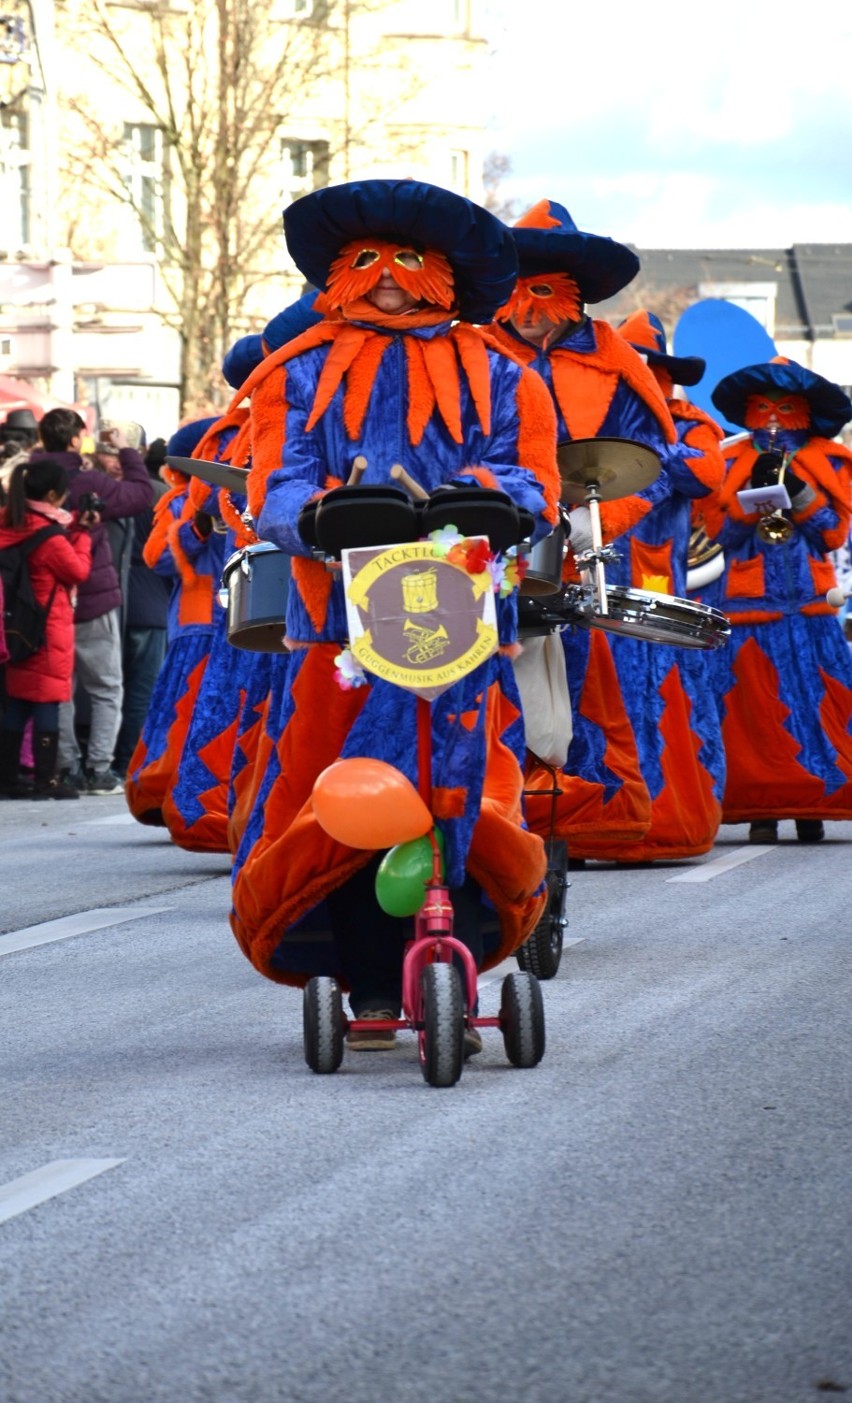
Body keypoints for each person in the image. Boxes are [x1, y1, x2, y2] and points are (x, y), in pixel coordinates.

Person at [230, 176, 560, 1050]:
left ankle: (456, 944)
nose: (385, 275)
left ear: (442, 274)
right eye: (364, 259)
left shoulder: (500, 371)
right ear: (335, 275)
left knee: (458, 787)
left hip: (458, 623)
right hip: (338, 628)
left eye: (407, 260)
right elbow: (276, 478)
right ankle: (370, 979)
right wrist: (312, 515)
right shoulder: (296, 370)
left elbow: (532, 474)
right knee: (341, 798)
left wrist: (488, 495)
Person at [487, 201, 679, 862]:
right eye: (515, 285)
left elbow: (653, 465)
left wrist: (594, 519)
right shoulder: (473, 352)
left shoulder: (615, 361)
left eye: (543, 287)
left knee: (585, 693)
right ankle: (487, 819)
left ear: (571, 294)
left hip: (583, 551)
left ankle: (570, 823)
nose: (527, 303)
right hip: (487, 550)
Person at [707, 356, 852, 843]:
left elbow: (832, 534)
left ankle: (814, 805)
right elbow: (719, 533)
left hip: (811, 603)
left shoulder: (830, 461)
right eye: (762, 406)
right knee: (756, 710)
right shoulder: (726, 462)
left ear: (803, 411)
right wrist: (754, 492)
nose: (771, 416)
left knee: (819, 702)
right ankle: (760, 811)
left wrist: (798, 489)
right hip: (751, 604)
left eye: (784, 407)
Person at [604, 309, 727, 861]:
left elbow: (703, 474)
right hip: (594, 587)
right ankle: (593, 822)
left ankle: (660, 821)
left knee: (657, 702)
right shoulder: (593, 419)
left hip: (656, 591)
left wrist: (647, 450)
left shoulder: (690, 423)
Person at [29, 408, 154, 793]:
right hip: (92, 597)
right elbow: (140, 493)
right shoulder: (87, 482)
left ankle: (66, 766)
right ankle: (100, 769)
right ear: (74, 440)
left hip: (42, 599)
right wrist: (126, 451)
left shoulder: (26, 480)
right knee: (106, 687)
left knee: (60, 686)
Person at [124, 417, 227, 827]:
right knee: (185, 711)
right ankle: (168, 792)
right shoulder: (180, 502)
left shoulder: (244, 492)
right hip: (198, 624)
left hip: (241, 622)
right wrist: (196, 529)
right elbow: (156, 557)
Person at [0, 457, 95, 798]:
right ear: (53, 495)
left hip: (14, 627)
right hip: (47, 626)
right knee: (46, 703)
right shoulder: (51, 537)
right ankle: (46, 781)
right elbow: (77, 572)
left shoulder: (10, 522)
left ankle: (8, 779)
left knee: (18, 702)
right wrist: (83, 535)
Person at [111, 436, 173, 780]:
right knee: (141, 690)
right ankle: (128, 761)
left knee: (115, 687)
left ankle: (110, 757)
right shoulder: (163, 497)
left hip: (119, 601)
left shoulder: (121, 492)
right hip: (152, 604)